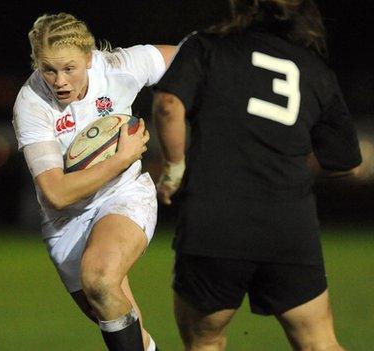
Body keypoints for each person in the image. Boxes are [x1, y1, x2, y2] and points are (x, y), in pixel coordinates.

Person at [152, 1, 362, 350]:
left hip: (216, 222)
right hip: (288, 225)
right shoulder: (315, 70)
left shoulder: (207, 47)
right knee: (319, 343)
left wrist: (174, 168)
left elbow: (168, 104)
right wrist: (288, 168)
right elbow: (343, 161)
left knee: (206, 341)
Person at [12, 12, 176, 351]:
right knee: (119, 321)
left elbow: (193, 56)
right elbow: (56, 193)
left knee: (99, 277)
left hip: (123, 194)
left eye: (69, 68)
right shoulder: (31, 103)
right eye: (48, 69)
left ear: (89, 58)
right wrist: (120, 158)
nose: (59, 81)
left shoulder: (117, 67)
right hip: (66, 220)